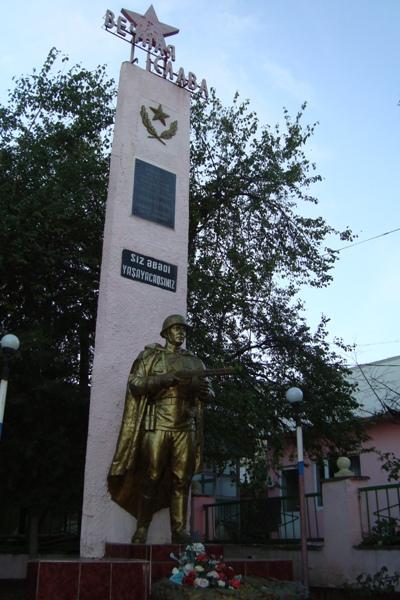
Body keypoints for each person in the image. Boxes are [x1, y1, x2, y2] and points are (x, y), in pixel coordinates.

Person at [108, 314, 214, 544]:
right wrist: (161, 380)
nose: (181, 332)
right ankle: (142, 528)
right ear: (166, 333)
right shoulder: (150, 357)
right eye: (176, 329)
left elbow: (209, 392)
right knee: (151, 476)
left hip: (185, 426)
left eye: (183, 329)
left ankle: (179, 530)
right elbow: (135, 384)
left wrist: (206, 393)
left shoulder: (195, 362)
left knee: (181, 480)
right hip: (156, 424)